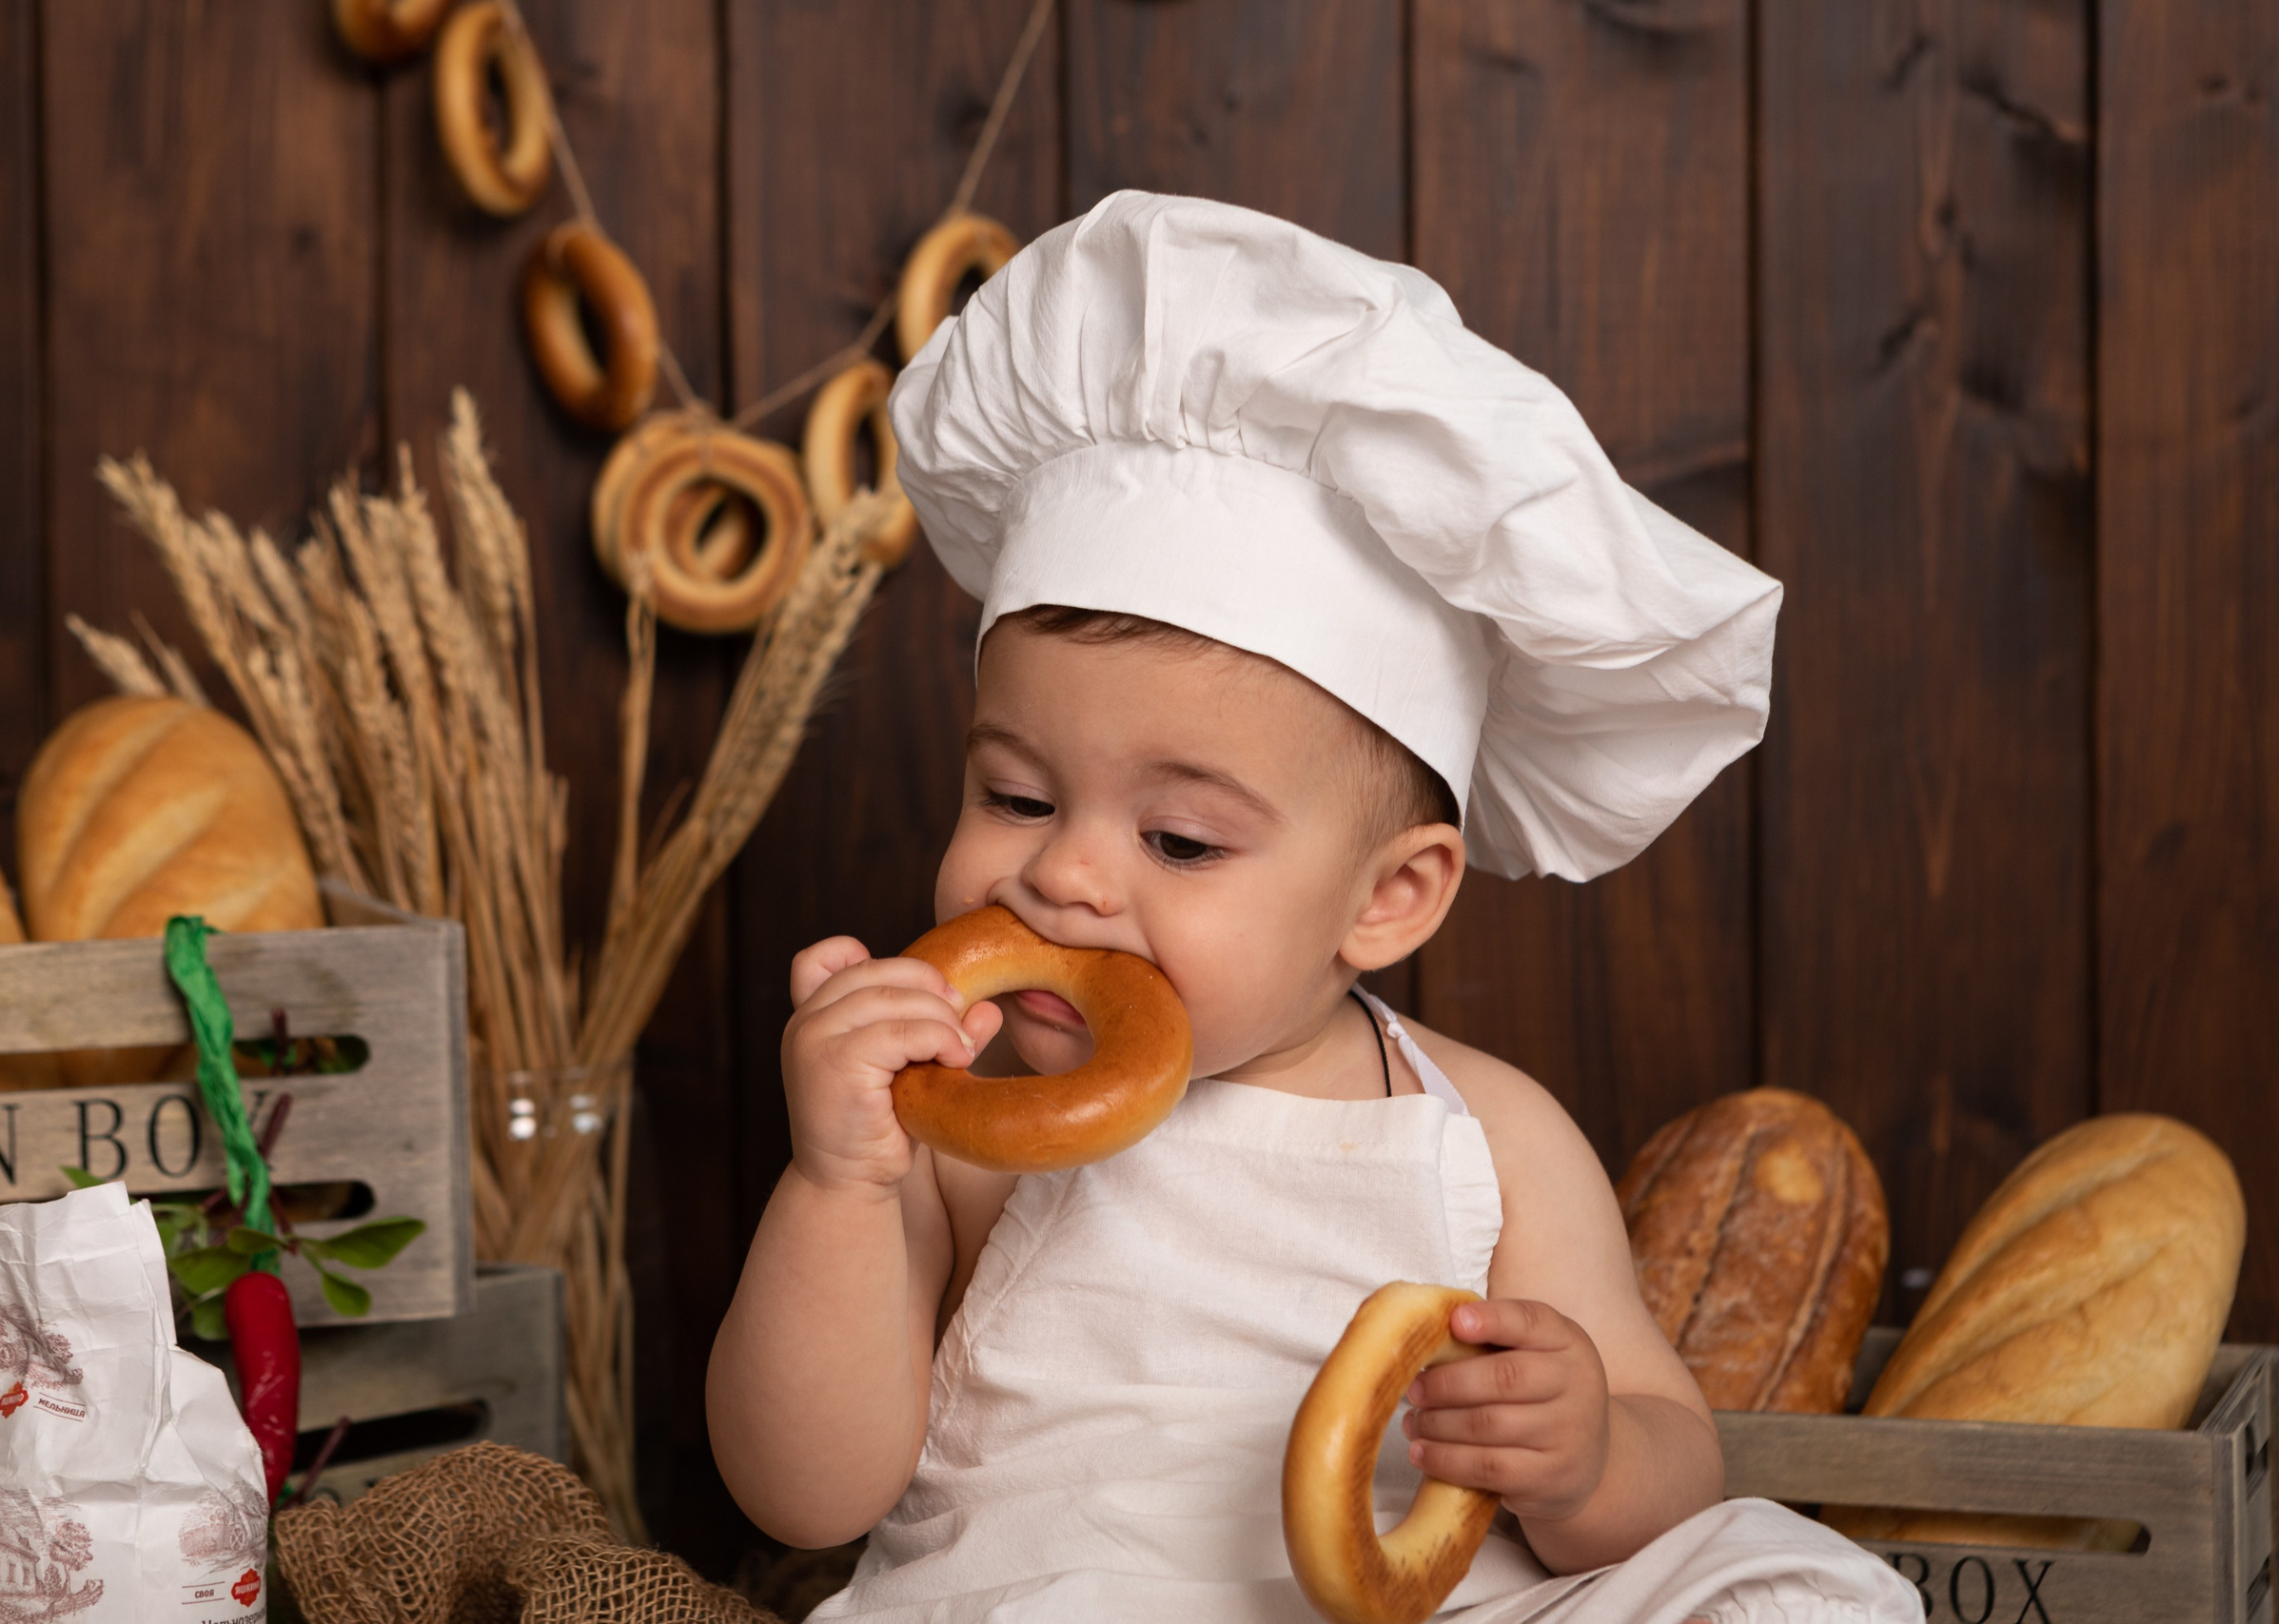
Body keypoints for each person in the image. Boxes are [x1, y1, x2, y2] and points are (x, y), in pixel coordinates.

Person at [708, 192, 1917, 1624]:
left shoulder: (1493, 1137)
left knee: (1794, 1592)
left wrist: (1586, 1453)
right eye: (1017, 797)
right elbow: (805, 1496)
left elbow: (1675, 1464)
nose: (1064, 875)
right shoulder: (951, 1134)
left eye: (1179, 839)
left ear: (1390, 898)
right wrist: (837, 1184)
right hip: (1044, 1603)